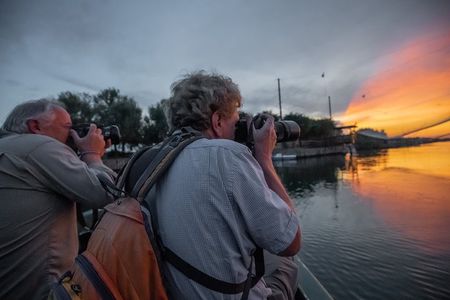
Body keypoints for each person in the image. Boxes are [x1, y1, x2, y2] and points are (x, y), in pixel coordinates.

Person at [154, 71, 301, 299]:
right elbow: (292, 241)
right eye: (236, 119)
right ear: (217, 121)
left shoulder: (157, 160)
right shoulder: (228, 156)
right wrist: (264, 159)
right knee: (285, 261)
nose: (239, 127)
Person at [0, 99, 116, 299]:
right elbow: (107, 194)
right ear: (35, 126)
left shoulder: (9, 148)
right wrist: (92, 155)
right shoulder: (38, 146)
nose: (73, 135)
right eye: (68, 128)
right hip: (45, 292)